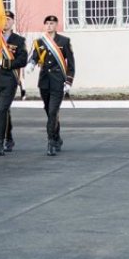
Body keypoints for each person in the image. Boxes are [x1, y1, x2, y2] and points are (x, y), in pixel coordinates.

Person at [25, 15, 75, 156]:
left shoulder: (64, 41)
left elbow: (71, 64)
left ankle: (50, 142)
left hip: (58, 80)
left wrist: (69, 81)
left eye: (51, 23)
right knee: (49, 111)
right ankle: (57, 136)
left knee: (53, 111)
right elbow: (34, 56)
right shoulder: (39, 42)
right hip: (44, 81)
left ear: (56, 25)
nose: (49, 26)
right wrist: (31, 64)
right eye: (46, 23)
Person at [0, 11, 28, 156]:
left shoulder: (19, 40)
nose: (5, 21)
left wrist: (6, 63)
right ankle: (9, 136)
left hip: (9, 79)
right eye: (2, 19)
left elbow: (22, 60)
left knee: (3, 109)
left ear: (13, 22)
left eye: (8, 19)